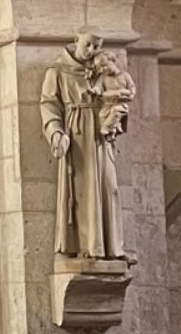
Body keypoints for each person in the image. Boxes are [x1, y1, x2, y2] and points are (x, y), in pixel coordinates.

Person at [42, 32, 134, 261]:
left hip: (101, 134)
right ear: (76, 39)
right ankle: (88, 247)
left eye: (96, 46)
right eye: (88, 44)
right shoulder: (57, 71)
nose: (91, 50)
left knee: (108, 186)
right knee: (83, 192)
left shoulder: (101, 68)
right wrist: (56, 133)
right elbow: (50, 105)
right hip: (77, 134)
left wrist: (116, 113)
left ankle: (113, 247)